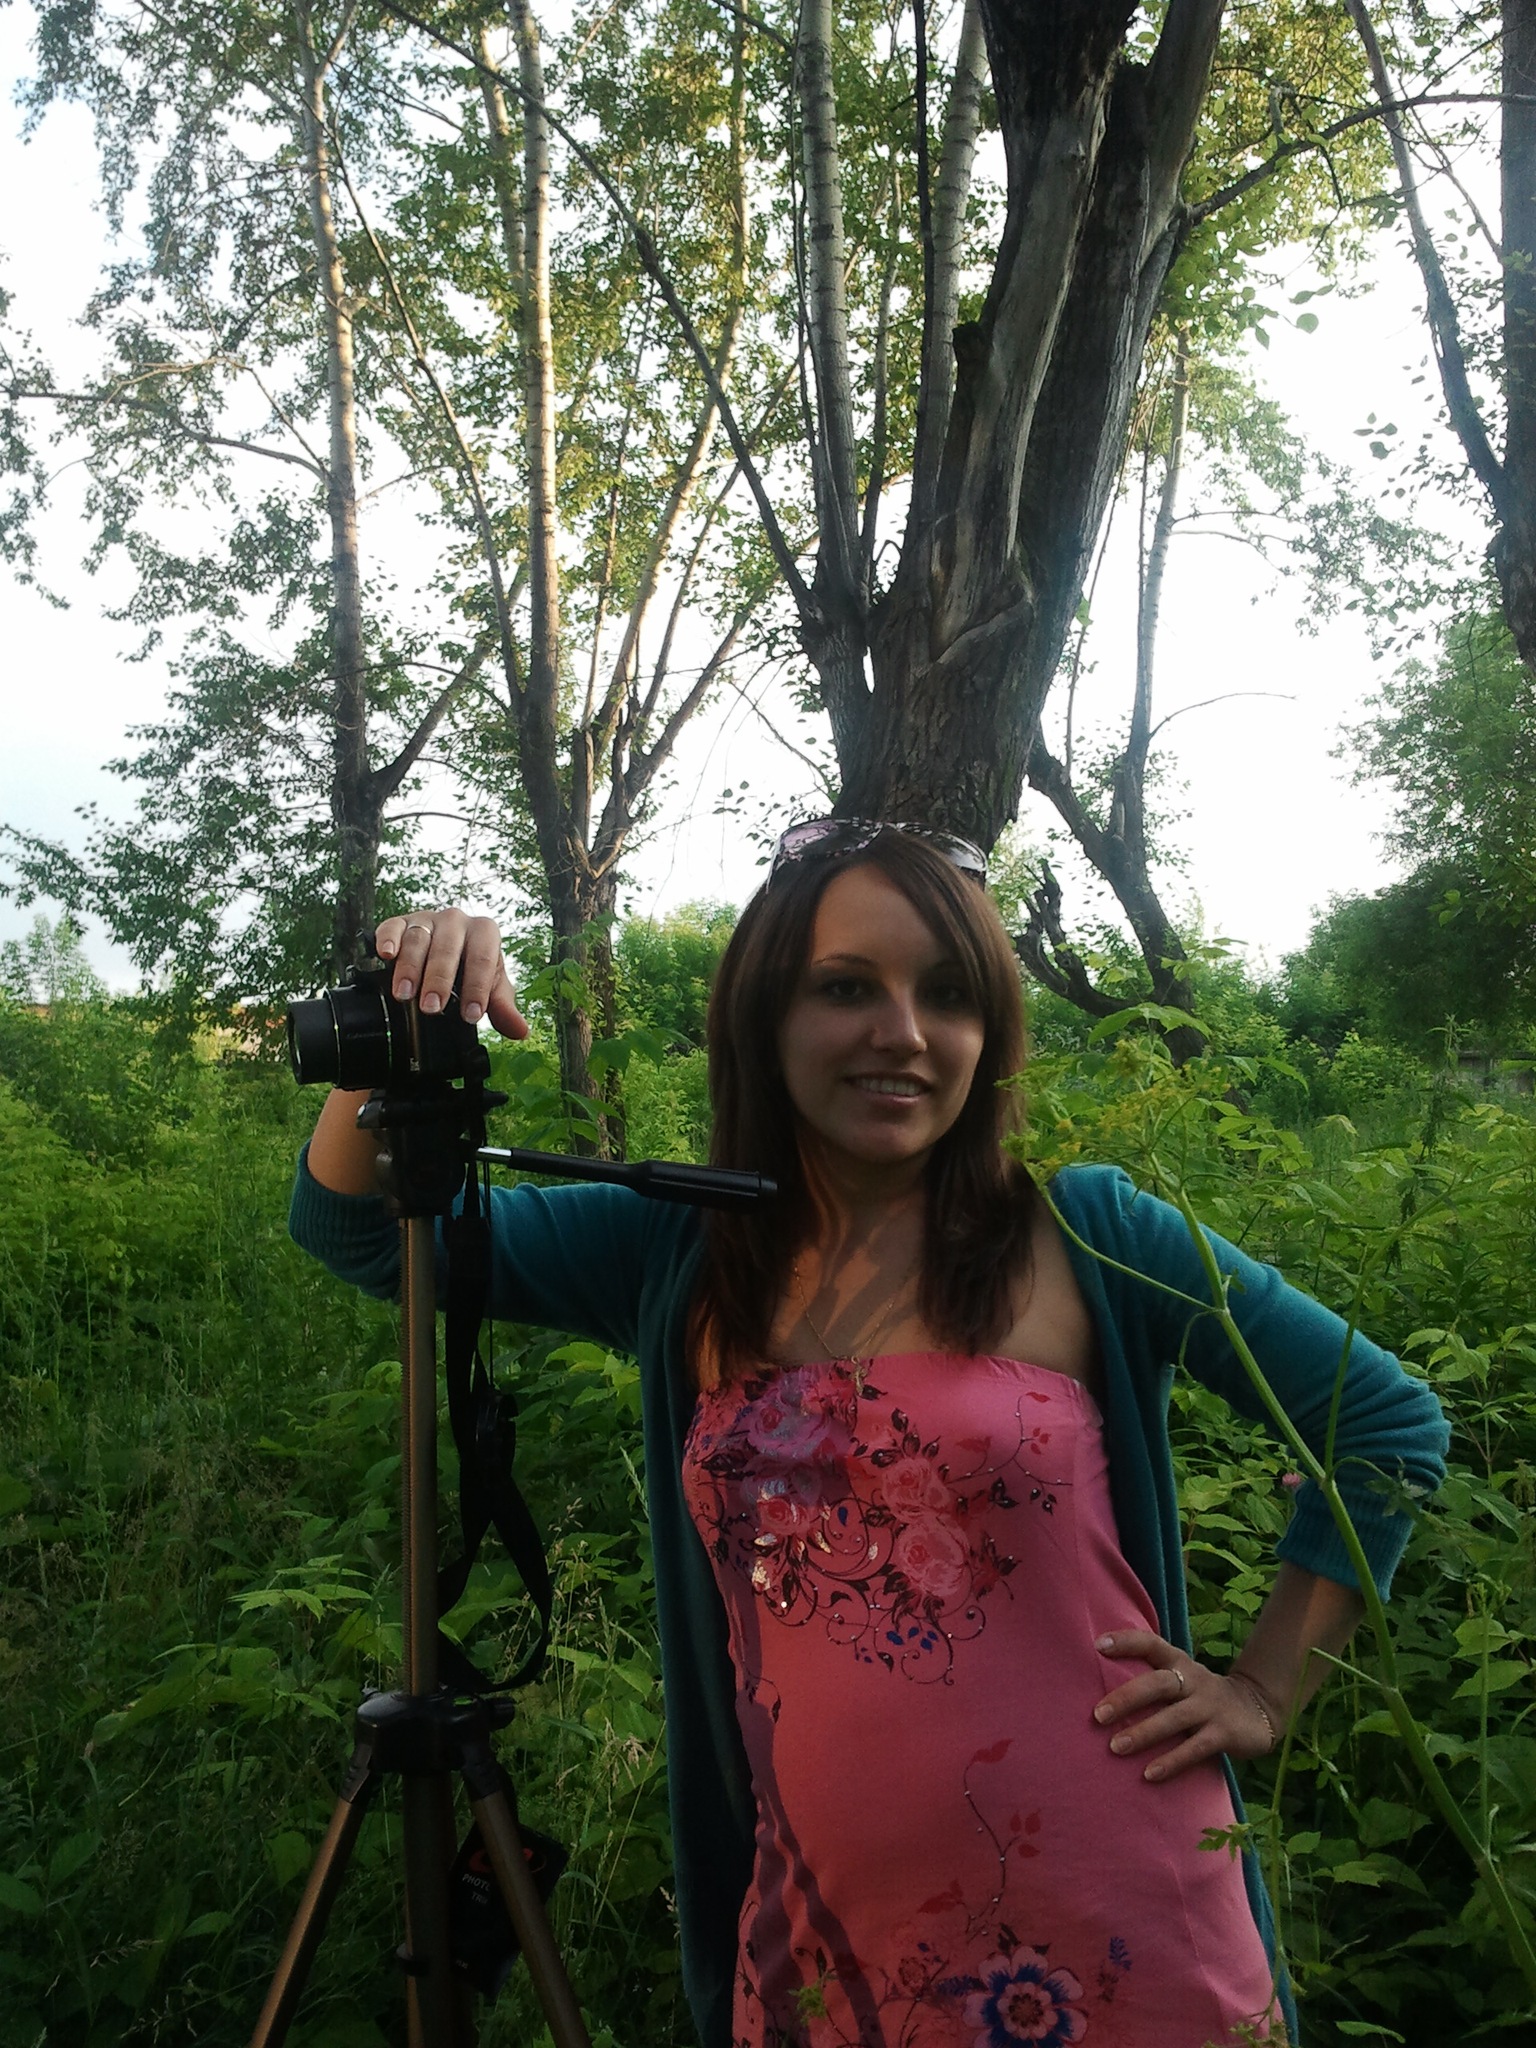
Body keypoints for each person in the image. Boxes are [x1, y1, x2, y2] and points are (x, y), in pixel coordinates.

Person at [292, 819, 1449, 2048]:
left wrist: (1264, 1690)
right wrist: (404, 1019)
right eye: (847, 987)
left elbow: (1385, 1421)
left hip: (1129, 1916)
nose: (904, 1032)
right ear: (764, 1014)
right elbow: (355, 1232)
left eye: (948, 994)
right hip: (827, 1936)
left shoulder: (1087, 1233)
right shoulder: (676, 1246)